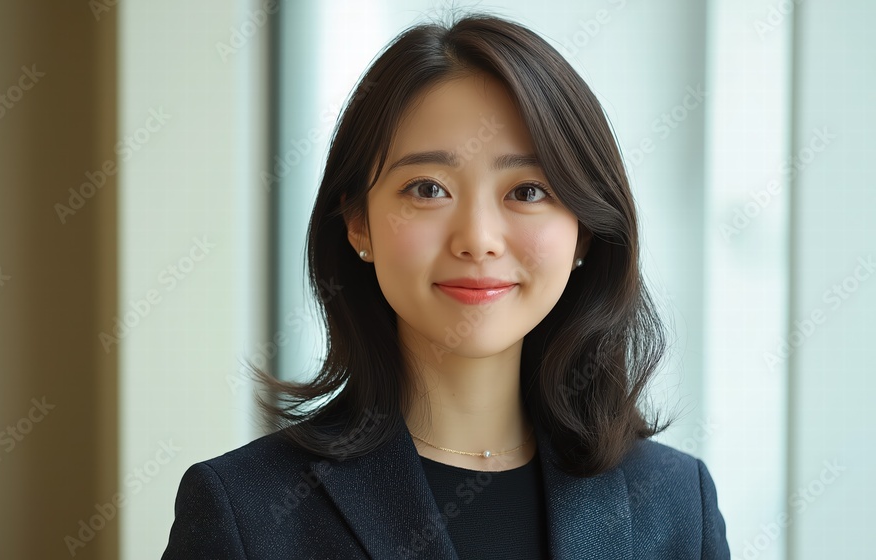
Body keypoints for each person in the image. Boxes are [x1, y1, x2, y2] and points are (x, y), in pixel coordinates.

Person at [162, 11, 729, 559]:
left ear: (583, 232)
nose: (478, 238)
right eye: (428, 189)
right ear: (358, 222)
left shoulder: (677, 503)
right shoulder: (245, 511)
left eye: (528, 191)